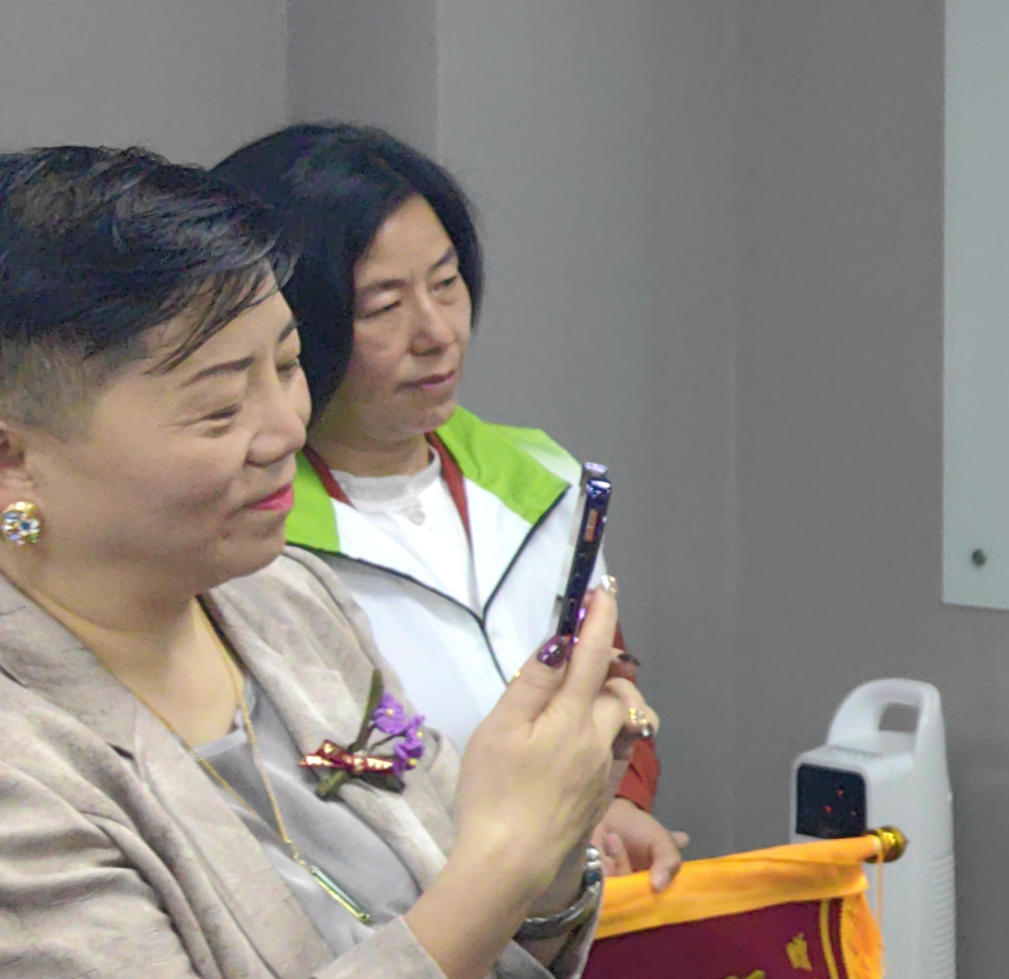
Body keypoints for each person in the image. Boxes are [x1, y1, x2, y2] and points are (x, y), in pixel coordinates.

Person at [0, 148, 637, 979]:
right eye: (216, 403)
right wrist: (496, 861)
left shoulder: (282, 604)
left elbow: (460, 946)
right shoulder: (23, 753)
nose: (284, 428)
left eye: (289, 366)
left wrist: (544, 832)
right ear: (13, 453)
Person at [212, 123, 684, 888]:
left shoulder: (542, 479)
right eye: (383, 306)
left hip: (556, 912)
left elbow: (606, 683)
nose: (436, 333)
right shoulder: (243, 541)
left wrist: (616, 802)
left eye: (446, 282)